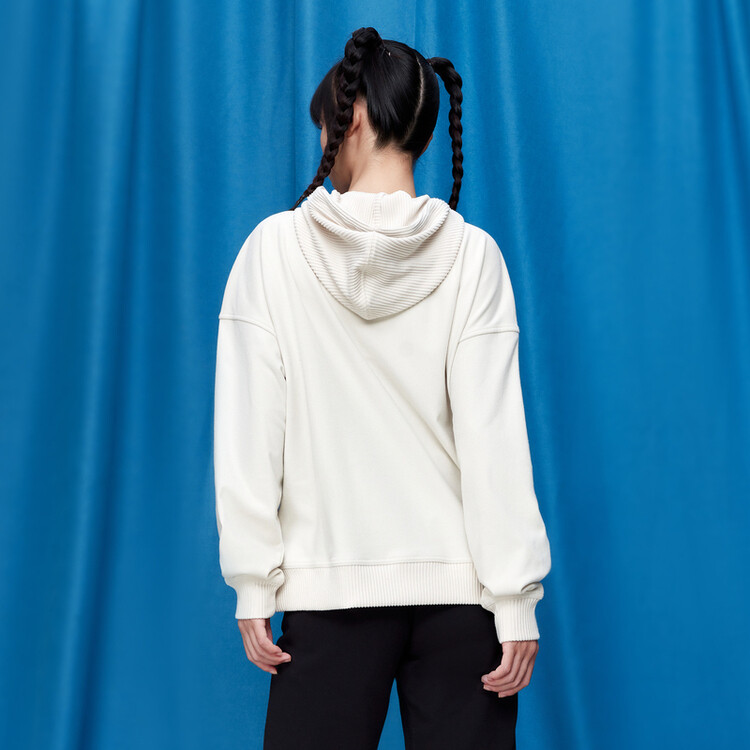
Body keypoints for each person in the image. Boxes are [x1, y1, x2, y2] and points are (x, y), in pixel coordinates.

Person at [213, 26, 552, 750]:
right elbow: (494, 439)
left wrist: (254, 580)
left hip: (327, 596)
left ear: (357, 116)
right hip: (463, 601)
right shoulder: (475, 258)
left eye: (328, 123)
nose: (324, 141)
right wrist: (515, 598)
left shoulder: (270, 253)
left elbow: (249, 431)